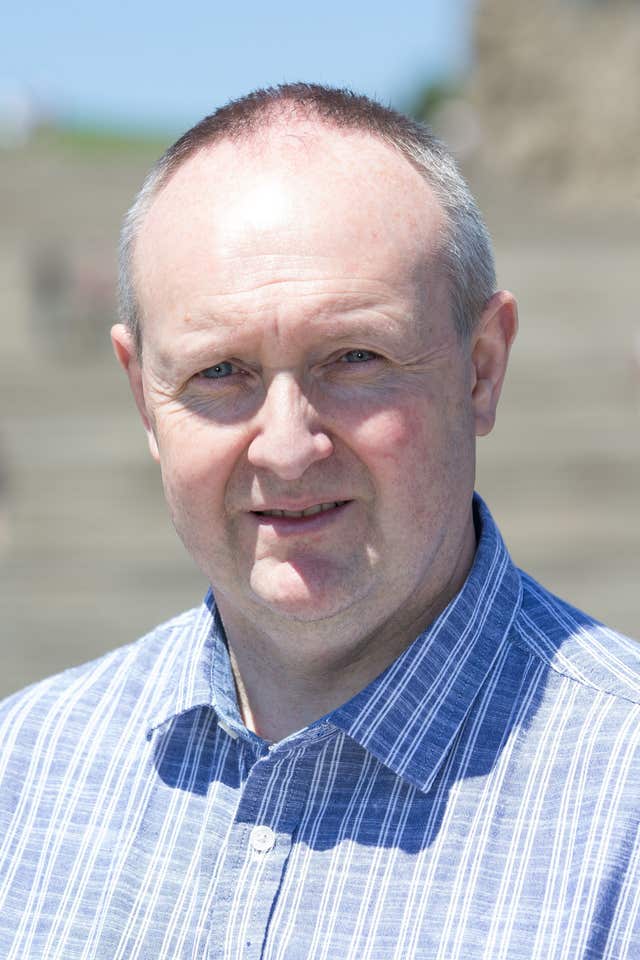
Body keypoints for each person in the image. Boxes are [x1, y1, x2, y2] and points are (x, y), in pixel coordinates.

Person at [0, 83, 638, 959]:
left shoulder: (624, 806)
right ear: (142, 396)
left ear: (481, 369)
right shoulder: (23, 769)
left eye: (355, 358)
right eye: (220, 372)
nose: (287, 449)